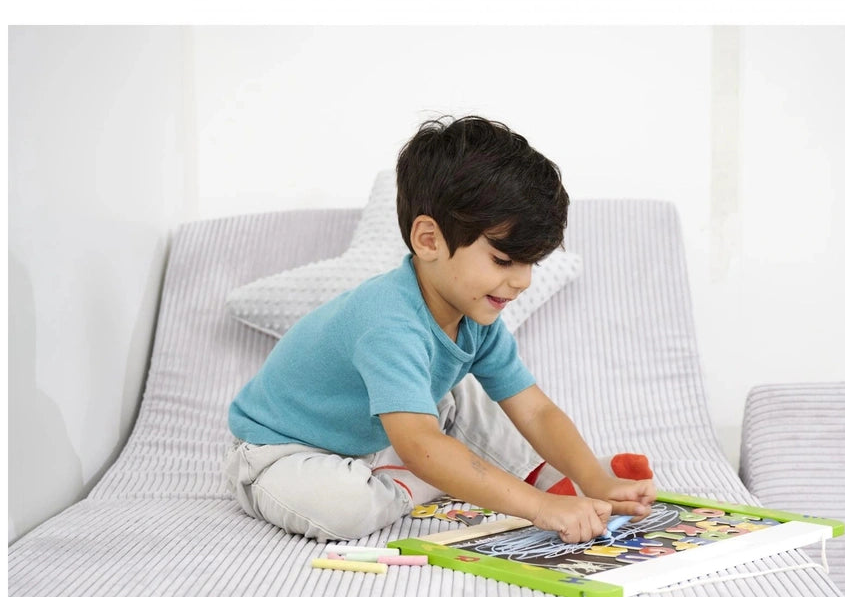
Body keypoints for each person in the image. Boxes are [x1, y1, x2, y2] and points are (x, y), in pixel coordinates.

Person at [225, 115, 657, 544]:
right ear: (429, 240)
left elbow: (536, 410)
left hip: (388, 434)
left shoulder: (475, 315)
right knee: (343, 507)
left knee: (471, 400)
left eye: (531, 263)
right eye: (504, 261)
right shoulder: (388, 321)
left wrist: (594, 478)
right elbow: (418, 443)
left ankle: (547, 478)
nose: (522, 281)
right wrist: (536, 509)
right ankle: (436, 478)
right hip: (286, 452)